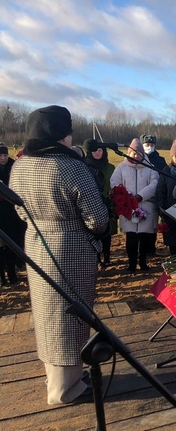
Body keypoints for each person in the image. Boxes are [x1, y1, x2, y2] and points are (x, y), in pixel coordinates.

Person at [9, 105, 108, 404]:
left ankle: (63, 378)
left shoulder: (20, 166)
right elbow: (98, 220)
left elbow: (18, 209)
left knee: (48, 313)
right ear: (61, 135)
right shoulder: (71, 167)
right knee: (69, 316)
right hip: (71, 248)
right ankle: (66, 390)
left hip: (37, 244)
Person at [110, 138, 159, 272]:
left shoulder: (150, 168)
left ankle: (143, 262)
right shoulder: (121, 167)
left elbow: (154, 184)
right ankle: (131, 264)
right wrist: (127, 196)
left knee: (144, 237)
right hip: (127, 206)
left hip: (145, 206)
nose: (136, 155)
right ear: (129, 153)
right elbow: (115, 182)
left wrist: (140, 196)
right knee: (131, 237)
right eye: (133, 153)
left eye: (138, 153)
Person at [83, 141, 116, 266]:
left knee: (107, 232)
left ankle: (107, 257)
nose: (97, 152)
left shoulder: (111, 168)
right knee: (94, 232)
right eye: (95, 150)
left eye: (100, 150)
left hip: (108, 203)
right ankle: (96, 258)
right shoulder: (84, 166)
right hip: (91, 202)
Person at [0, 142, 24, 285]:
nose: (3, 158)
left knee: (11, 244)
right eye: (0, 155)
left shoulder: (12, 167)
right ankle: (1, 276)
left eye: (4, 155)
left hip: (11, 211)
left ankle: (12, 273)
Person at [140, 134, 165, 256]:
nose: (149, 147)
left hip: (155, 196)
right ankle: (142, 250)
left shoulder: (160, 161)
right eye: (147, 145)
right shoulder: (138, 158)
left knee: (153, 223)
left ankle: (152, 249)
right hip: (140, 196)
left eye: (151, 145)